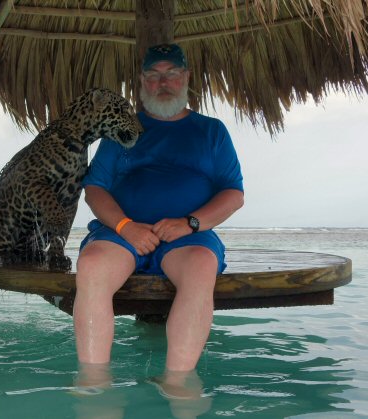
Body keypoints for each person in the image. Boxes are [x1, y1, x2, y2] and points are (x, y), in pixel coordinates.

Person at [73, 44, 244, 377]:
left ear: (186, 77)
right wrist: (125, 226)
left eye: (171, 74)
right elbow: (94, 189)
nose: (162, 82)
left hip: (186, 239)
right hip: (120, 234)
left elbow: (234, 194)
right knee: (91, 265)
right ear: (142, 81)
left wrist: (190, 223)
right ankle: (94, 385)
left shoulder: (211, 132)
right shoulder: (121, 130)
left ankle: (178, 382)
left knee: (200, 267)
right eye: (153, 75)